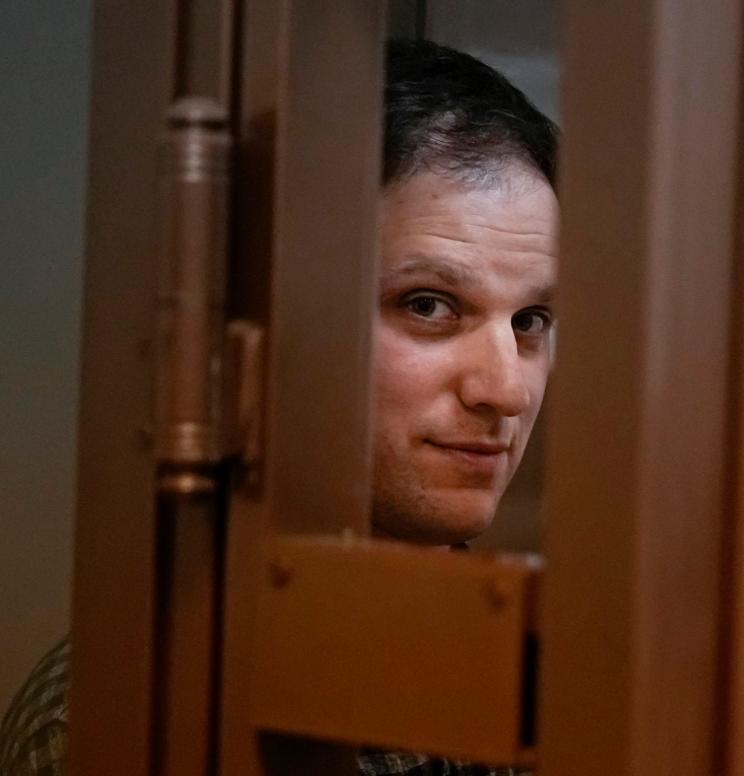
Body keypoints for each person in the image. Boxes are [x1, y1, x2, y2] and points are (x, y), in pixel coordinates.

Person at [0, 39, 558, 776]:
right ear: (281, 317)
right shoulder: (134, 710)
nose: (506, 389)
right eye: (428, 306)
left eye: (530, 322)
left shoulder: (526, 673)